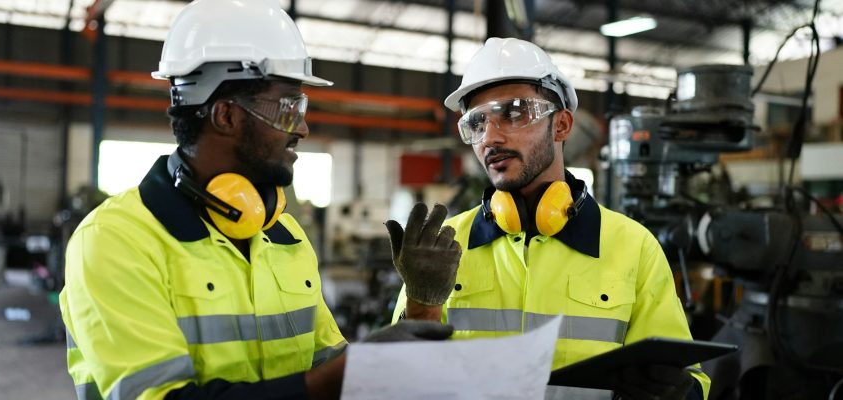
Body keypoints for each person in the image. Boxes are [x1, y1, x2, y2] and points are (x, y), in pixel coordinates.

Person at [59, 1, 452, 399]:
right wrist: (353, 369)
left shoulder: (285, 235)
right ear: (226, 115)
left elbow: (328, 370)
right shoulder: (115, 242)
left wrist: (417, 311)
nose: (302, 126)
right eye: (288, 106)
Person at [388, 37, 711, 400]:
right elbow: (398, 381)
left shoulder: (633, 247)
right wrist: (419, 304)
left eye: (512, 112)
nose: (490, 137)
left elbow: (690, 379)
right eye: (476, 123)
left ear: (561, 125)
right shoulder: (445, 244)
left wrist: (680, 392)